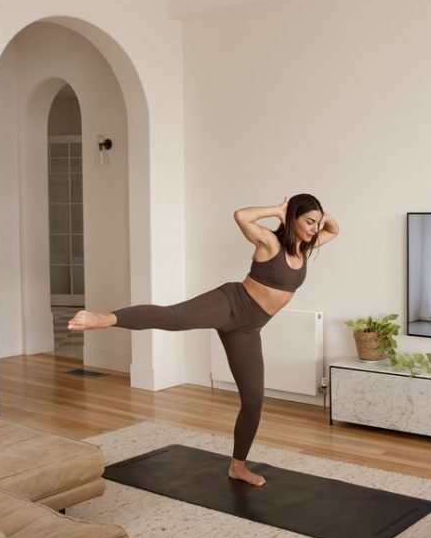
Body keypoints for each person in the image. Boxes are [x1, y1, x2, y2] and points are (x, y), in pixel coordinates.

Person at [68, 195, 339, 486]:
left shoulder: (305, 247)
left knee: (253, 399)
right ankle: (104, 318)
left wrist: (321, 216)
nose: (314, 228)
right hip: (231, 303)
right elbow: (241, 215)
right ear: (292, 218)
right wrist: (279, 210)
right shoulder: (269, 243)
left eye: (316, 222)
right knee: (173, 317)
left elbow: (334, 229)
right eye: (308, 221)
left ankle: (238, 466)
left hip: (249, 328)